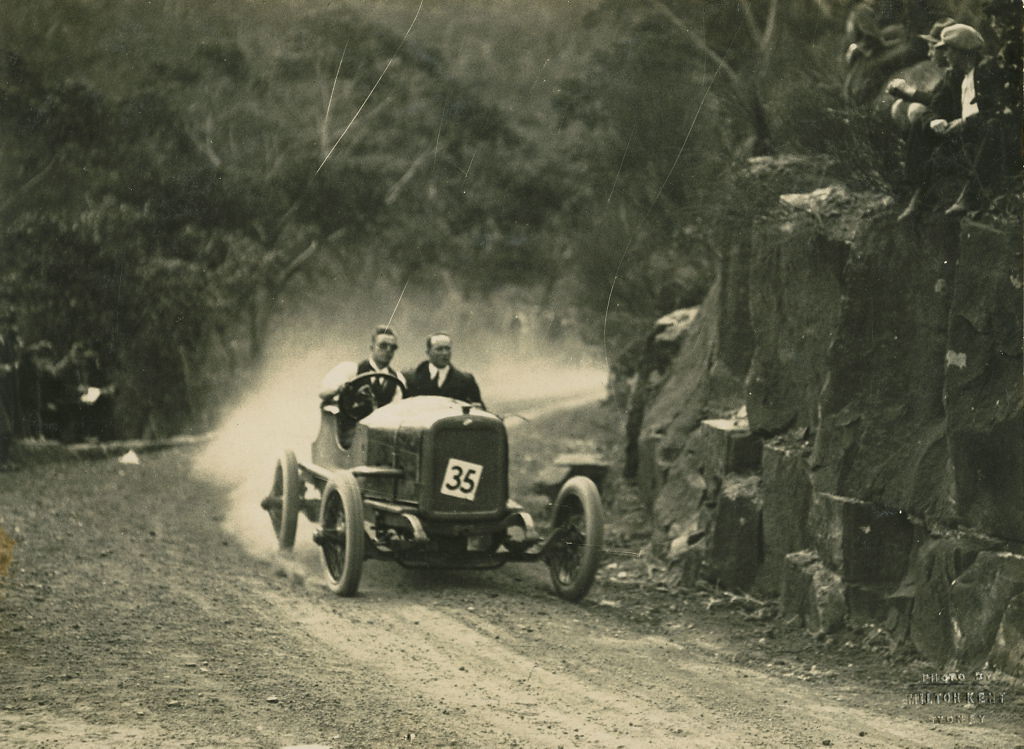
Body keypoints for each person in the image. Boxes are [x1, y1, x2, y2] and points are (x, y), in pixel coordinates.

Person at [887, 17, 962, 220]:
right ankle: (915, 175)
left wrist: (910, 92)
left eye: (932, 48)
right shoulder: (950, 72)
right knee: (902, 108)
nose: (929, 54)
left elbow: (941, 103)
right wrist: (907, 94)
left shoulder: (959, 72)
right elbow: (939, 99)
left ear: (946, 49)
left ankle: (920, 189)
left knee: (917, 113)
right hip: (948, 119)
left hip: (959, 125)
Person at [318, 326, 406, 406]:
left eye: (393, 347)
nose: (388, 350)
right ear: (372, 347)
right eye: (383, 346)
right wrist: (339, 389)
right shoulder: (350, 370)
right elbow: (323, 393)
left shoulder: (398, 379)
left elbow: (396, 410)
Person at [405, 333, 484, 407]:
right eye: (439, 349)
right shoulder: (410, 378)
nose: (445, 353)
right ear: (428, 352)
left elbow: (479, 409)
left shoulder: (466, 380)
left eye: (447, 349)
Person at [0, 310, 23, 470]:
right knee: (4, 426)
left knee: (8, 425)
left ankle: (4, 460)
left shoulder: (7, 341)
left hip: (7, 387)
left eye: (5, 323)